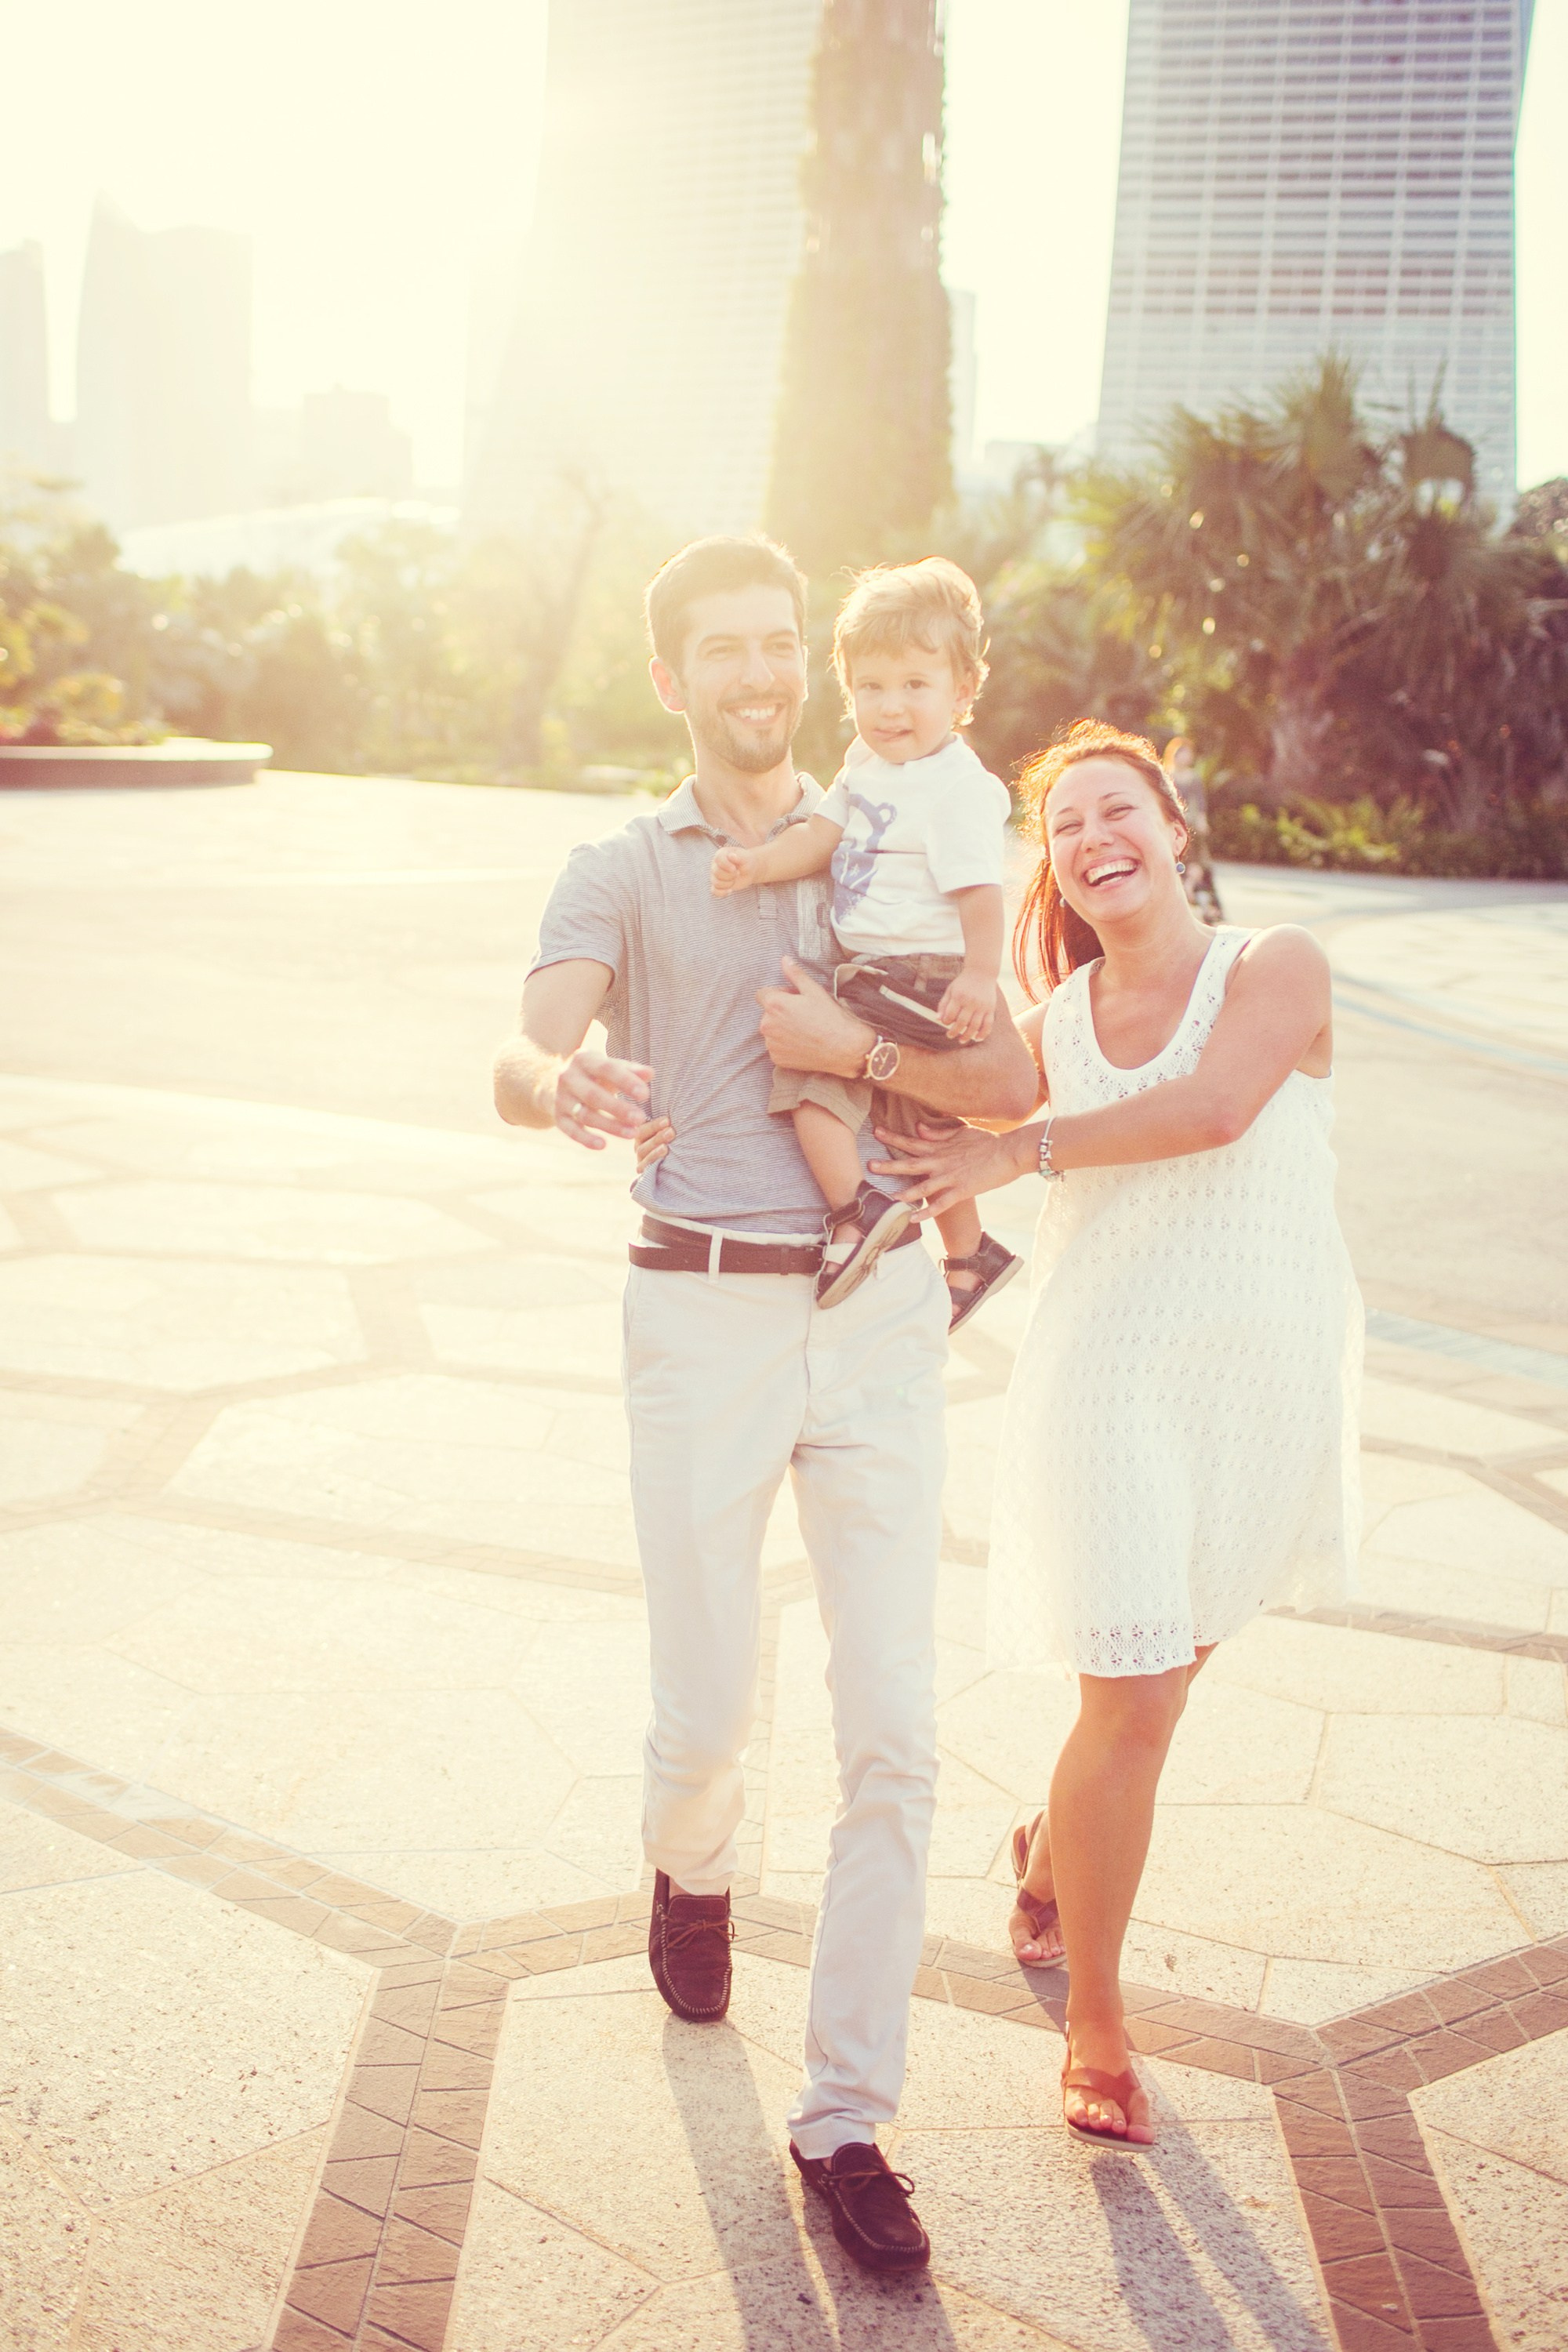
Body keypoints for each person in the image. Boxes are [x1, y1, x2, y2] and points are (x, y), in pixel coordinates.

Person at [493, 535, 1037, 2268]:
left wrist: (857, 1060)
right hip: (701, 1309)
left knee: (894, 1733)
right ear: (671, 679)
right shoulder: (621, 862)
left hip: (874, 1314)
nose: (759, 674)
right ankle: (694, 1861)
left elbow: (1006, 1070)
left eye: (779, 645)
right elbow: (523, 1042)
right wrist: (559, 1082)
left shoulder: (898, 818)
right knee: (704, 1713)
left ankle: (846, 2118)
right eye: (721, 650)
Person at [875, 719, 1362, 2150]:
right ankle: (1096, 2019)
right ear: (1061, 873)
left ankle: (1047, 1851)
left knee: (1157, 1683)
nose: (1095, 838)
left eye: (1117, 809)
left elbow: (1215, 1109)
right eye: (1067, 826)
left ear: (1173, 824)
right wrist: (847, 1039)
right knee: (1136, 1695)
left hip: (1262, 1376)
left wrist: (1013, 1149)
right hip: (1109, 1379)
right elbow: (947, 1086)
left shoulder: (1277, 967)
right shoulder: (1057, 1028)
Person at [708, 557, 1021, 1329]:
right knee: (920, 1122)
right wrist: (758, 864)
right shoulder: (866, 766)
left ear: (962, 690)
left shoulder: (952, 786)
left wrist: (980, 976)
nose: (890, 707)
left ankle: (857, 1214)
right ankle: (969, 1252)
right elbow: (819, 836)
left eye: (915, 685)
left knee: (806, 1073)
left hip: (921, 974)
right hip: (883, 972)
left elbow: (980, 891)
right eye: (871, 687)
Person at [1164, 735, 1224, 924]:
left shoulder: (1194, 778)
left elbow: (1200, 802)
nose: (1185, 757)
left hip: (1191, 825)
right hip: (1171, 824)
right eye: (1182, 753)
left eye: (1188, 753)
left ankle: (1210, 906)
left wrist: (1202, 820)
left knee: (1201, 863)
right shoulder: (1166, 775)